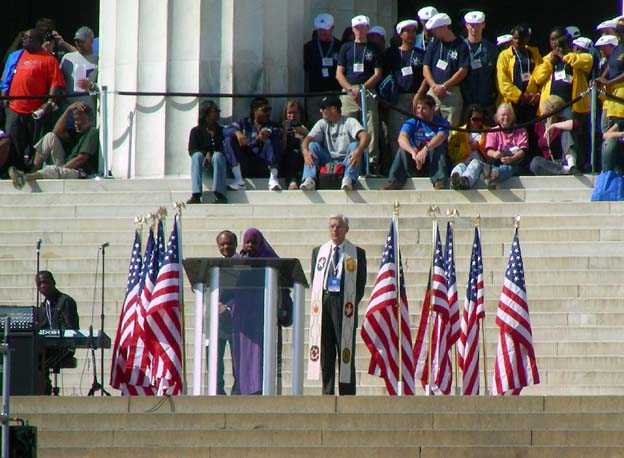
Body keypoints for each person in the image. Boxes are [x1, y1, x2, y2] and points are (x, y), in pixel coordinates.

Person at [308, 214, 366, 395]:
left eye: (339, 227)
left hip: (344, 303)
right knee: (326, 350)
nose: (335, 230)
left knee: (345, 350)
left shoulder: (356, 253)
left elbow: (360, 284)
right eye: (332, 226)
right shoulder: (319, 252)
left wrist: (350, 302)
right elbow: (314, 278)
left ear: (346, 230)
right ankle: (327, 391)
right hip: (324, 302)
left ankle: (347, 393)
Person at [231, 228, 290, 395]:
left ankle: (265, 389)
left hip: (264, 316)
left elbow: (284, 282)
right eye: (247, 242)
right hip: (243, 318)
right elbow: (227, 285)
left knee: (263, 354)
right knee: (243, 355)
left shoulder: (271, 260)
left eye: (253, 242)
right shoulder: (238, 260)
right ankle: (242, 389)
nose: (250, 246)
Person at [3, 29, 65, 167]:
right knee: (13, 143)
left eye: (28, 38)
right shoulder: (16, 56)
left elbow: (56, 83)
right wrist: (4, 96)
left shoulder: (49, 60)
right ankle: (13, 170)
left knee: (36, 144)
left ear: (39, 41)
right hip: (15, 108)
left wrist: (50, 103)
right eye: (24, 37)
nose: (24, 40)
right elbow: (6, 78)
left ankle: (31, 171)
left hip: (36, 111)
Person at [532, 29, 592, 171]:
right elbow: (537, 77)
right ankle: (554, 162)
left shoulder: (578, 56)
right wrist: (550, 63)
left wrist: (564, 56)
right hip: (550, 105)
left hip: (571, 104)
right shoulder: (547, 59)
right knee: (549, 135)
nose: (556, 45)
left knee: (568, 130)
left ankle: (572, 163)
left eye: (560, 42)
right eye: (553, 41)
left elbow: (587, 62)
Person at [9, 102, 100, 189]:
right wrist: (68, 110)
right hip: (64, 166)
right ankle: (31, 170)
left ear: (90, 119)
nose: (77, 123)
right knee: (50, 136)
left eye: (80, 120)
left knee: (53, 170)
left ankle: (24, 177)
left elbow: (81, 158)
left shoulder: (92, 132)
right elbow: (56, 132)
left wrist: (60, 169)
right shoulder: (75, 133)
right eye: (75, 120)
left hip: (78, 171)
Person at [336, 14, 383, 171]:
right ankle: (347, 158)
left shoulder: (374, 48)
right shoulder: (346, 47)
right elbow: (339, 73)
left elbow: (377, 74)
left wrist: (362, 88)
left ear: (367, 29)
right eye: (357, 27)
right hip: (349, 92)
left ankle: (371, 160)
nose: (360, 30)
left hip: (367, 90)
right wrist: (350, 89)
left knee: (371, 125)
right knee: (347, 124)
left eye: (363, 27)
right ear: (352, 29)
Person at [299, 95, 370, 191]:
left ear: (333, 109)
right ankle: (310, 179)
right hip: (328, 160)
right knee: (311, 146)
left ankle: (348, 178)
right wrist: (305, 152)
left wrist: (358, 151)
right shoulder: (322, 123)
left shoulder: (349, 121)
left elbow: (365, 136)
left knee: (355, 145)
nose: (320, 111)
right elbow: (307, 139)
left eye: (323, 108)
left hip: (346, 161)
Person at [383, 94, 450, 190]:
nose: (420, 111)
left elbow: (441, 136)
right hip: (415, 161)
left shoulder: (442, 123)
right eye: (418, 108)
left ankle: (439, 181)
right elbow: (401, 138)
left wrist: (426, 149)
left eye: (424, 108)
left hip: (433, 162)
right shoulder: (412, 122)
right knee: (403, 149)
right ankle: (395, 181)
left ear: (433, 109)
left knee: (438, 147)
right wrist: (412, 152)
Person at [383, 19, 426, 157]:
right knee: (397, 133)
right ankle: (399, 165)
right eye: (407, 31)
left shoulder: (421, 53)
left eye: (413, 31)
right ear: (400, 34)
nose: (411, 34)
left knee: (418, 133)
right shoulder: (391, 54)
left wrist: (419, 94)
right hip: (398, 99)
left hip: (418, 98)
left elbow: (426, 75)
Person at [420, 12, 470, 127]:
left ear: (445, 27)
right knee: (428, 126)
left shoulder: (461, 45)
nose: (433, 33)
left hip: (451, 92)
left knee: (450, 128)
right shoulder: (434, 43)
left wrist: (444, 86)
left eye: (435, 29)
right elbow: (426, 67)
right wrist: (433, 86)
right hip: (434, 90)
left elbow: (463, 71)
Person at [223, 97, 283, 190]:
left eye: (269, 110)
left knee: (272, 139)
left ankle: (273, 179)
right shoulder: (244, 122)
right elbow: (226, 130)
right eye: (265, 110)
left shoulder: (270, 125)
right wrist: (237, 133)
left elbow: (278, 130)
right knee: (228, 140)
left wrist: (268, 132)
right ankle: (239, 180)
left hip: (264, 164)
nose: (268, 113)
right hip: (245, 162)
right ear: (255, 110)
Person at [36, 270, 80, 395]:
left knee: (39, 358)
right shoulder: (44, 307)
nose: (43, 286)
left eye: (46, 282)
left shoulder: (65, 301)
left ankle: (45, 387)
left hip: (63, 347)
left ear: (53, 282)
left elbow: (72, 328)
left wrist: (56, 334)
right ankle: (41, 387)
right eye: (40, 284)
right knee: (30, 354)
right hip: (46, 347)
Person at [496, 24, 542, 127]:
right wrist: (520, 96)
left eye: (521, 38)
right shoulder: (504, 56)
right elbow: (503, 82)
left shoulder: (534, 54)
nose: (517, 41)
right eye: (515, 38)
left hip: (532, 102)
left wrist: (537, 94)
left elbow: (542, 75)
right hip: (513, 102)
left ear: (527, 38)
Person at [186, 100, 228, 204]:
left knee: (218, 156)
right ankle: (196, 194)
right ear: (207, 114)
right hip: (203, 163)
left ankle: (219, 193)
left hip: (217, 163)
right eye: (215, 111)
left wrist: (211, 154)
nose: (218, 113)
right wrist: (206, 153)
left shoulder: (221, 131)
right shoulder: (196, 131)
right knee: (196, 156)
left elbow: (224, 149)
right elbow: (192, 149)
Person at [303, 13, 342, 124]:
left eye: (326, 29)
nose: (323, 32)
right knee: (316, 124)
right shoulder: (309, 47)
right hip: (315, 92)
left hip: (334, 92)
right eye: (320, 30)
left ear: (332, 28)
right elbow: (307, 68)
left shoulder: (339, 46)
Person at [460, 11, 499, 120]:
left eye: (477, 25)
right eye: (471, 25)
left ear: (483, 25)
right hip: (465, 102)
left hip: (486, 102)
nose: (474, 28)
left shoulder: (492, 50)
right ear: (466, 25)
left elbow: (495, 76)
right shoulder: (459, 48)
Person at [530, 95, 581, 175]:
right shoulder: (539, 125)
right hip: (549, 164)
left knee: (566, 132)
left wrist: (554, 125)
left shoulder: (563, 121)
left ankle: (571, 165)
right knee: (535, 163)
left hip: (563, 160)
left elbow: (575, 124)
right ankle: (565, 170)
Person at [484, 103, 528, 189]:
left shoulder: (521, 130)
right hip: (497, 162)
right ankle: (494, 175)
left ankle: (494, 175)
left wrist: (512, 159)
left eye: (508, 115)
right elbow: (489, 150)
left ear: (513, 117)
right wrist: (494, 154)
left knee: (509, 167)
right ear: (497, 117)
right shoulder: (493, 131)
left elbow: (523, 150)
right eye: (503, 115)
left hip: (515, 163)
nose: (506, 118)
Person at [215, 230, 237, 395]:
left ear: (235, 244)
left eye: (229, 243)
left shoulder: (243, 265)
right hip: (217, 322)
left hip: (238, 321)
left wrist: (229, 306)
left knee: (238, 361)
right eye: (222, 244)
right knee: (216, 362)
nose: (226, 247)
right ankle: (218, 393)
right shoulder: (214, 267)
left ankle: (239, 391)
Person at [449, 104, 488, 189]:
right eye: (475, 119)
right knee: (460, 166)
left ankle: (466, 181)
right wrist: (467, 148)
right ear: (468, 118)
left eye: (481, 120)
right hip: (462, 160)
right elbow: (452, 155)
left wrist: (478, 146)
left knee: (475, 163)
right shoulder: (458, 132)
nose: (478, 123)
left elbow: (491, 151)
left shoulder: (489, 132)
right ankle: (454, 180)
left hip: (480, 164)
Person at [59, 26, 98, 112]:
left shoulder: (98, 60)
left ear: (91, 41)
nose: (78, 44)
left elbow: (104, 87)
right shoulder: (67, 58)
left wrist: (91, 86)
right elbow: (59, 82)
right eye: (76, 41)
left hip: (89, 110)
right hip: (69, 109)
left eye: (82, 41)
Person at [279, 100, 309, 190]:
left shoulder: (306, 126)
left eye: (295, 113)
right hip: (288, 159)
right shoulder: (281, 128)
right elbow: (282, 150)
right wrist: (284, 133)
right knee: (292, 154)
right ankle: (292, 181)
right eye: (289, 113)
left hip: (304, 156)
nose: (292, 117)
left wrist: (305, 134)